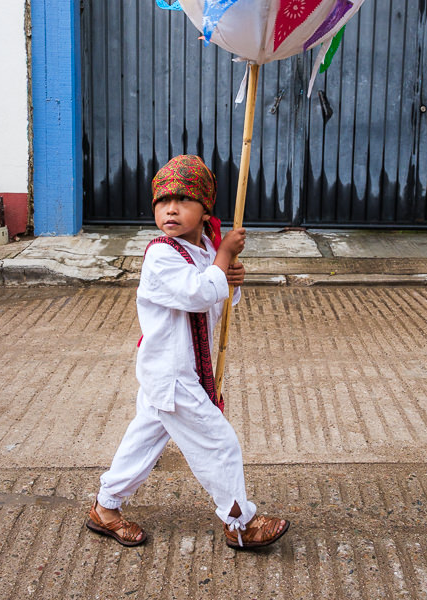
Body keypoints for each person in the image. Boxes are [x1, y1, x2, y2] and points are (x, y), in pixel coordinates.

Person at [86, 155, 289, 550]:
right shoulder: (161, 254)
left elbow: (217, 301)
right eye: (163, 202)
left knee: (144, 441)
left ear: (205, 208)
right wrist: (224, 258)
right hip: (172, 372)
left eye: (183, 201)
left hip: (181, 371)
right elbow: (197, 294)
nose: (171, 210)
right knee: (219, 443)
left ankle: (105, 507)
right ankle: (240, 522)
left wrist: (232, 279)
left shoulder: (204, 248)